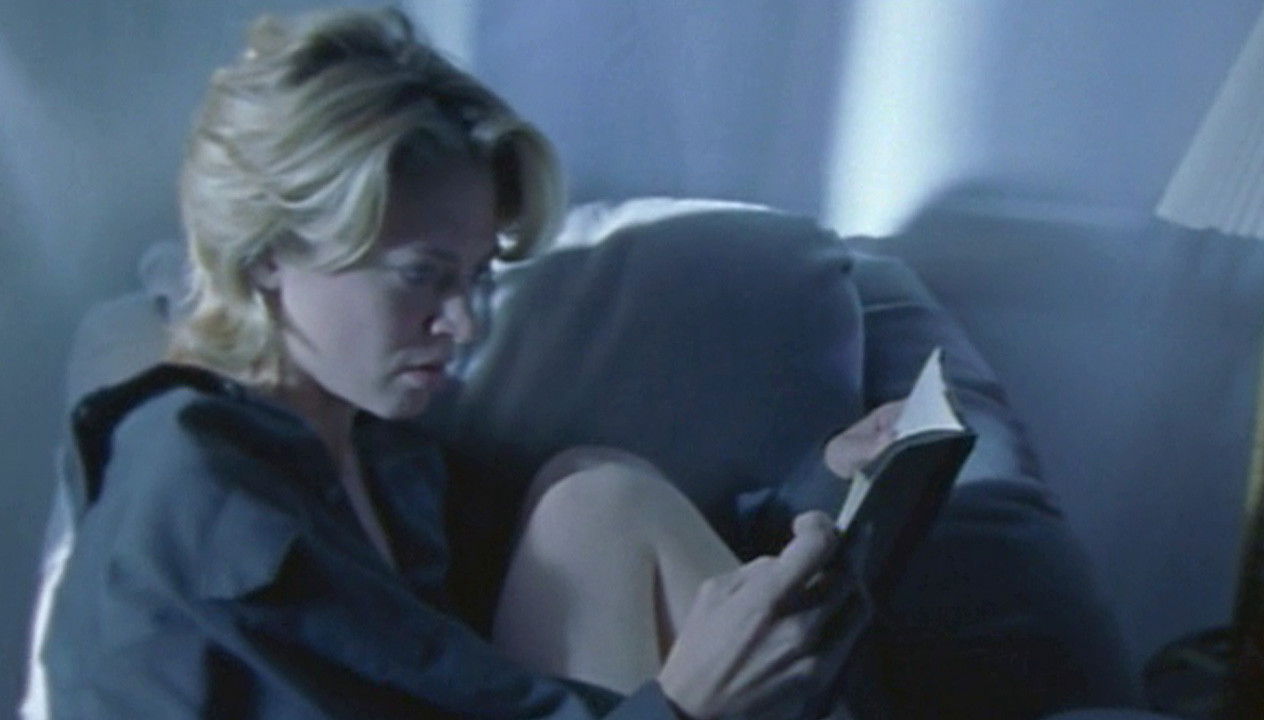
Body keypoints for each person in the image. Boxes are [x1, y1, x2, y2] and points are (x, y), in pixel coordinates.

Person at [40, 8, 901, 719]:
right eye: (422, 275)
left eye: (475, 278)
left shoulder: (380, 453)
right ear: (269, 255)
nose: (461, 323)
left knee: (597, 498)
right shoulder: (197, 492)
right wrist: (684, 709)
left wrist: (829, 484)